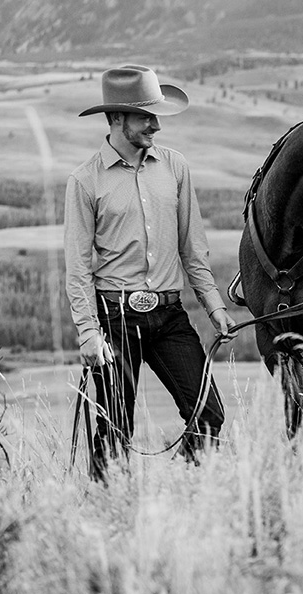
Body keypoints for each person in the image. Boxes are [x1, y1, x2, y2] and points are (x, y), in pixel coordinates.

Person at [64, 64, 237, 479]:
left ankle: (177, 493)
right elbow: (77, 268)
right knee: (112, 436)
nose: (156, 125)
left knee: (209, 416)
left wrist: (214, 307)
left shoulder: (175, 167)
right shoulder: (85, 181)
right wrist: (89, 333)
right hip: (114, 320)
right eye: (146, 115)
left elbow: (192, 248)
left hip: (170, 316)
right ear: (117, 119)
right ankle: (112, 514)